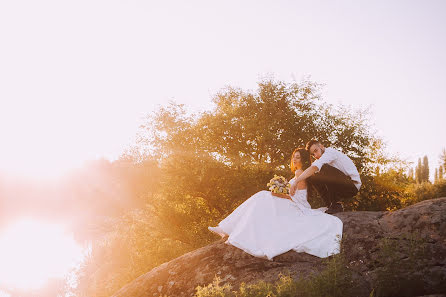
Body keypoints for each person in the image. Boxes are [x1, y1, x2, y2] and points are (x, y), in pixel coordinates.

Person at [208, 148, 343, 260]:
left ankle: (227, 228)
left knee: (261, 196)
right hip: (294, 203)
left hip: (297, 206)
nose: (295, 160)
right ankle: (228, 228)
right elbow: (291, 195)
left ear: (303, 159)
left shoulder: (299, 173)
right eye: (293, 157)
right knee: (262, 198)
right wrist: (277, 192)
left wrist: (277, 194)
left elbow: (294, 198)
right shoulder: (299, 173)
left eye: (298, 157)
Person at [290, 140, 361, 214]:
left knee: (322, 168)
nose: (316, 155)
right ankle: (329, 204)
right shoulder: (320, 160)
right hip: (341, 185)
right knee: (313, 176)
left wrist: (296, 181)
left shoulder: (330, 152)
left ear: (321, 146)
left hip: (352, 186)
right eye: (313, 154)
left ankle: (336, 204)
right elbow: (311, 169)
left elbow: (314, 167)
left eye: (316, 151)